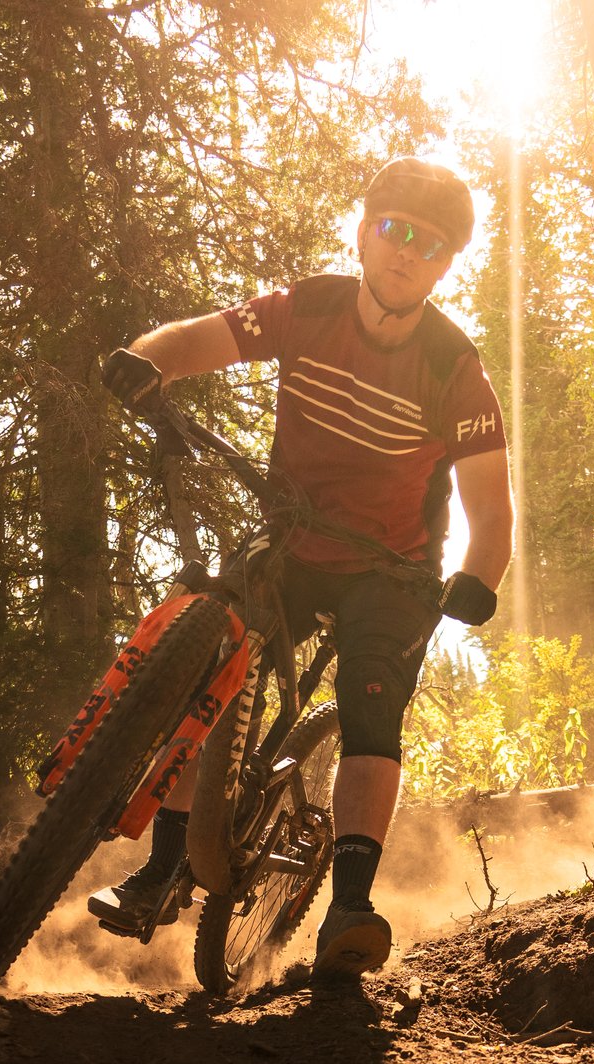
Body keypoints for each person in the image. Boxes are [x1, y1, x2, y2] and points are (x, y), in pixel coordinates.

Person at [85, 157, 514, 978]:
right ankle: (164, 863)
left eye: (430, 245)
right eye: (394, 230)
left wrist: (477, 579)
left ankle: (349, 903)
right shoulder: (307, 308)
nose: (406, 253)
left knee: (370, 703)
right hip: (291, 538)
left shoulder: (453, 369)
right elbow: (194, 338)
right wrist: (147, 360)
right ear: (364, 232)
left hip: (391, 571)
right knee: (206, 652)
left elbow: (491, 511)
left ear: (447, 264)